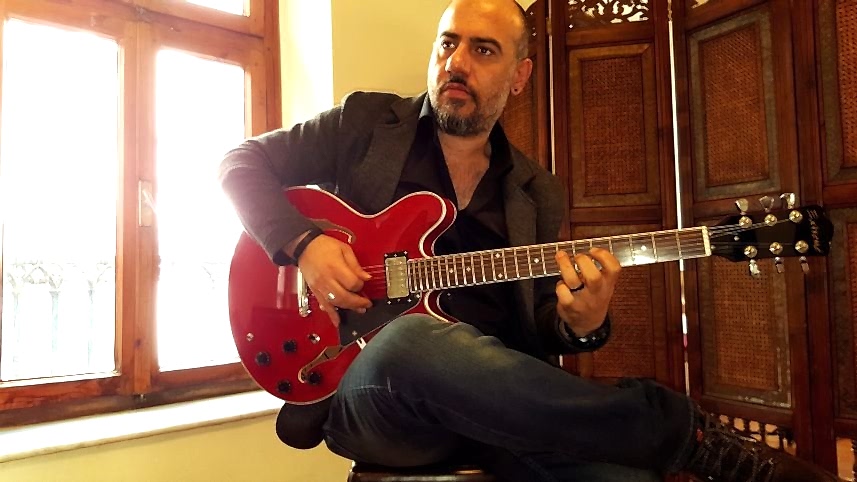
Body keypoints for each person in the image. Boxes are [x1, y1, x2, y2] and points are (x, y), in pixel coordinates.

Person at [219, 1, 841, 480]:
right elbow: (238, 165)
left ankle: (674, 441)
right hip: (375, 394)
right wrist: (305, 244)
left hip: (504, 411)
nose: (456, 62)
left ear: (519, 77)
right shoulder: (365, 124)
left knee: (624, 478)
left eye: (483, 49)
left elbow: (538, 326)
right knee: (411, 340)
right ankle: (691, 436)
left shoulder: (537, 192)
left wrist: (580, 324)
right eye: (448, 43)